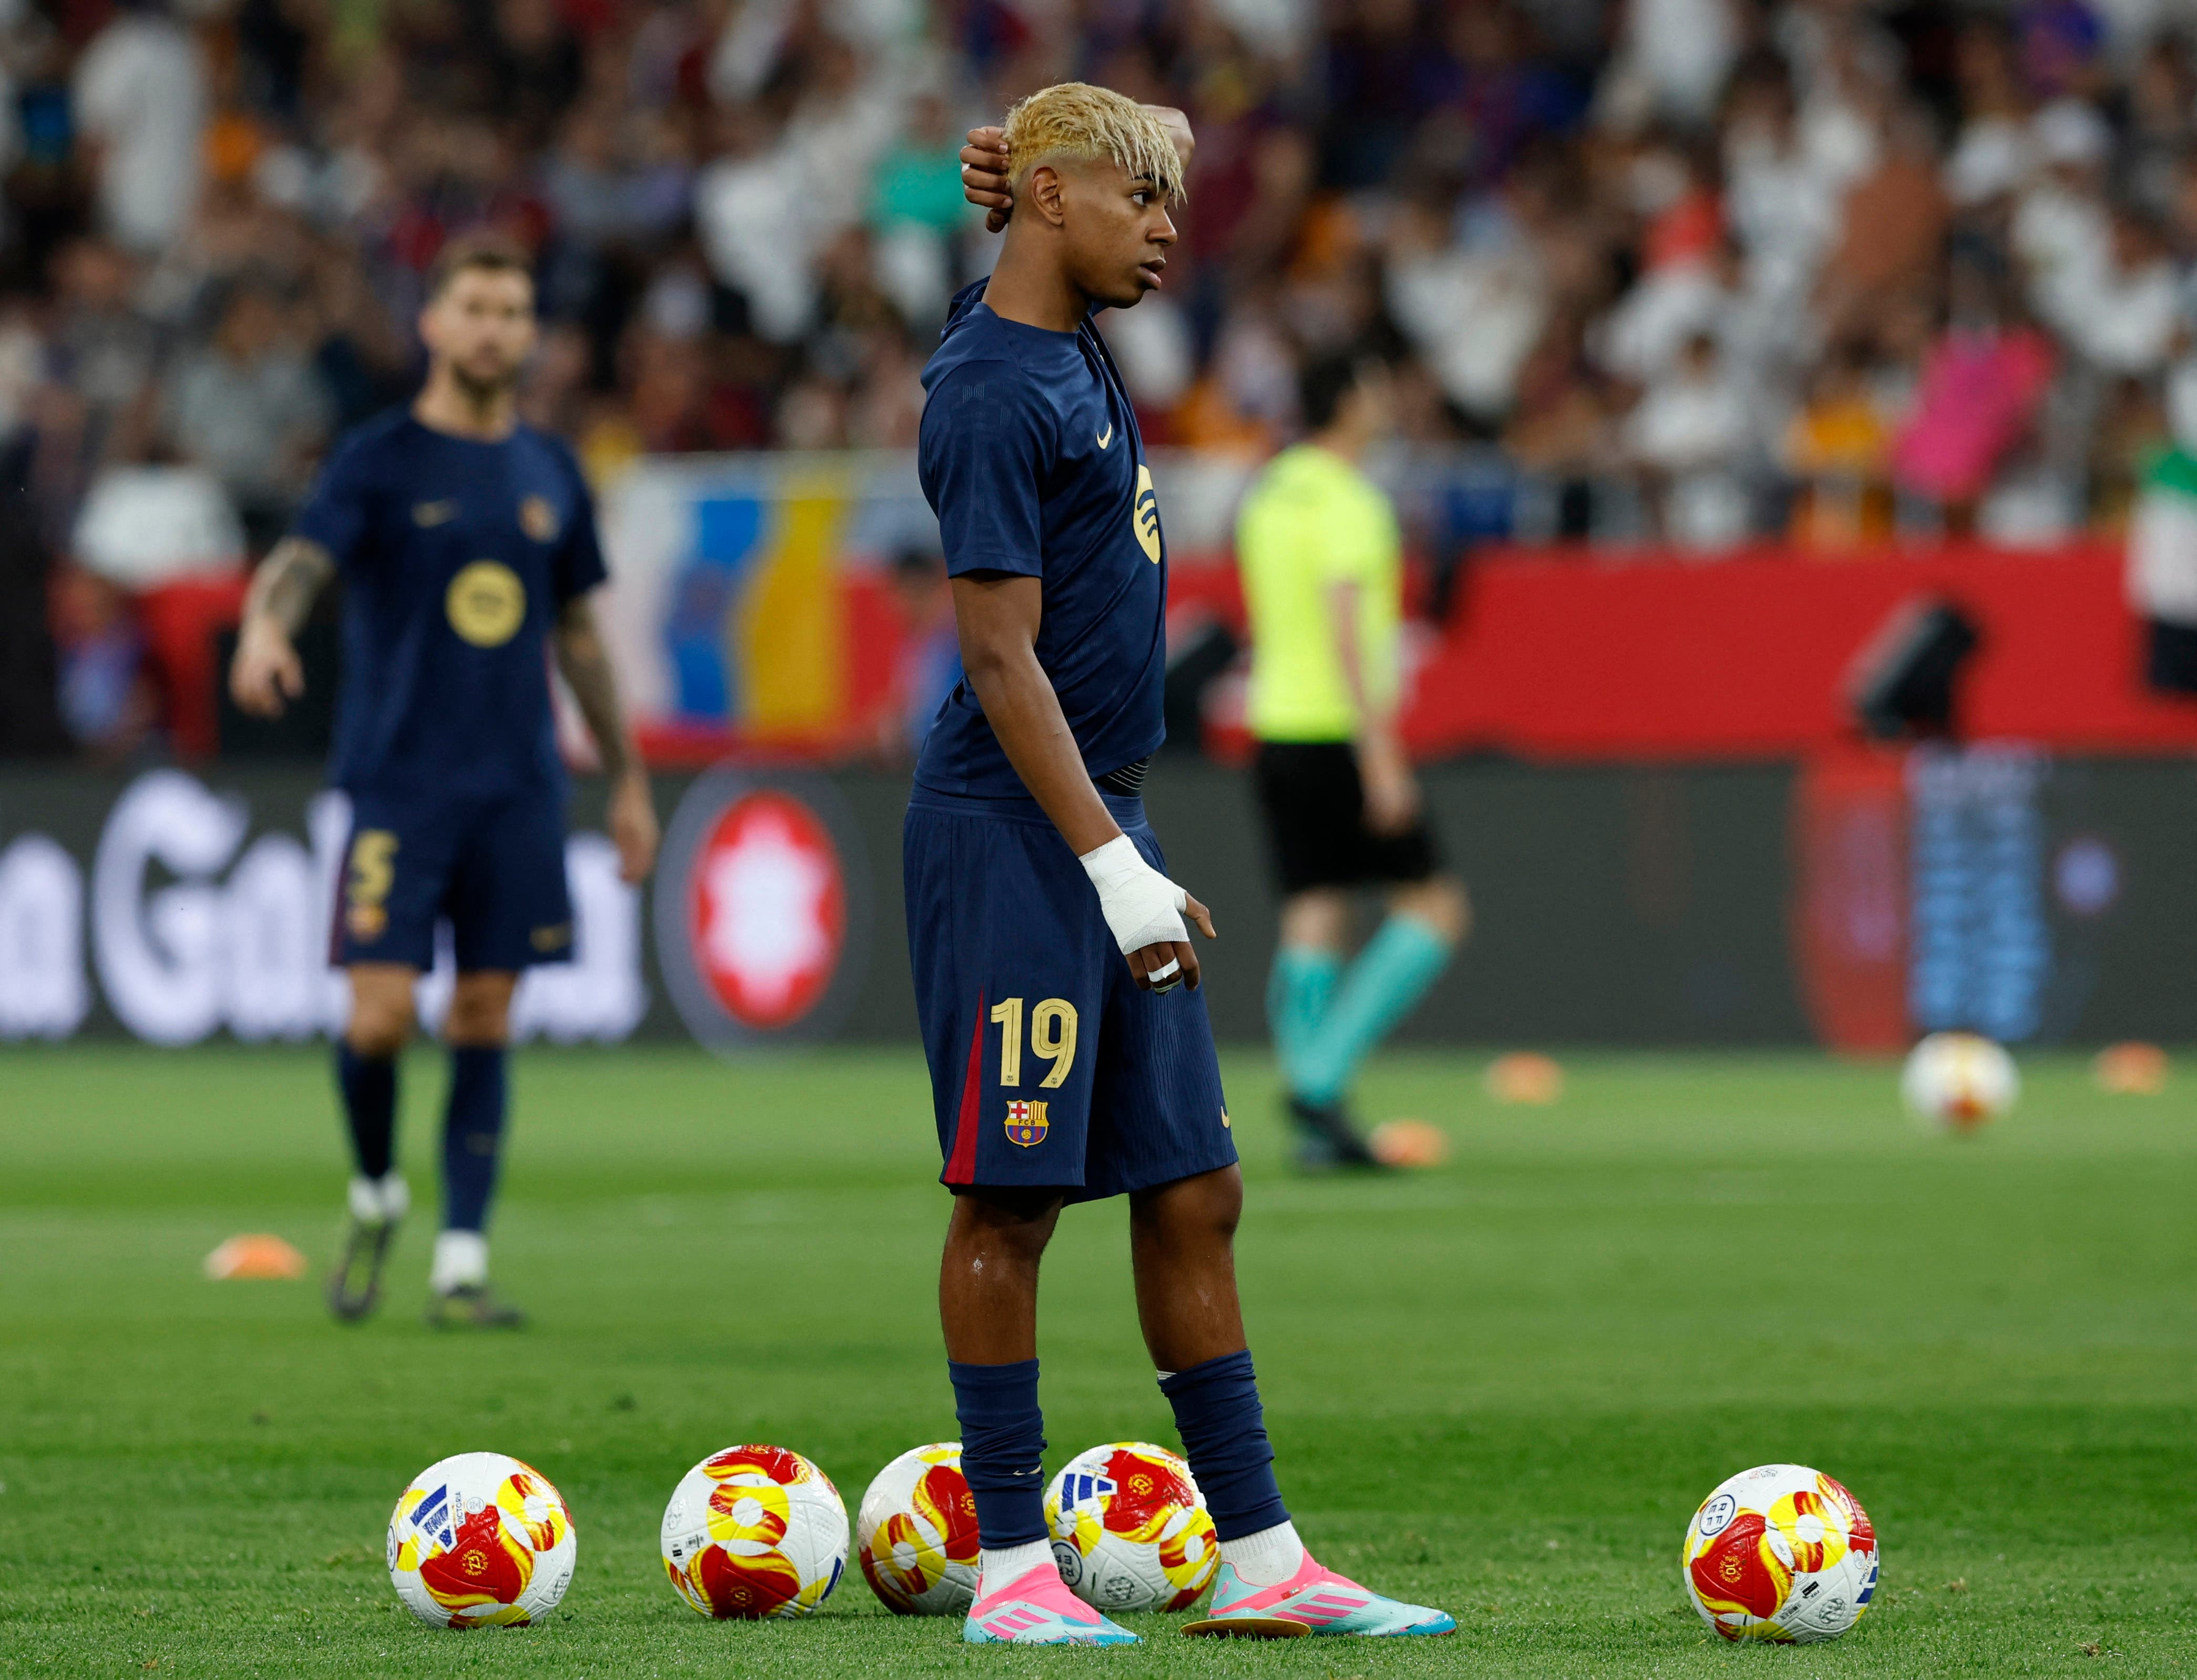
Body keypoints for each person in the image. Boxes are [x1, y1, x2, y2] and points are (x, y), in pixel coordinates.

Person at [918, 84, 1454, 1646]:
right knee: (1011, 1197)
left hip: (1105, 821)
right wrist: (1107, 866)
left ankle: (1261, 1552)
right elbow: (999, 659)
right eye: (1139, 201)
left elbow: (1060, 204)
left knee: (1197, 1183)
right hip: (1017, 833)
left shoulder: (1063, 338)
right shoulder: (985, 389)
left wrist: (1030, 164)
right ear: (1053, 201)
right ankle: (1011, 1568)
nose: (1168, 232)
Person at [228, 234, 659, 1328]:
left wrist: (626, 782)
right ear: (432, 323)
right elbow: (302, 563)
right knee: (377, 1022)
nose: (491, 328)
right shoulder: (377, 459)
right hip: (396, 784)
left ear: (529, 334)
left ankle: (460, 1260)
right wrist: (263, 629)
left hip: (516, 786)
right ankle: (377, 1187)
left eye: (511, 312)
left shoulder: (550, 471)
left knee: (483, 1012)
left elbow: (579, 637)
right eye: (472, 307)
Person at [1235, 353, 1470, 1168]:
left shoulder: (1267, 495)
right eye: (1372, 386)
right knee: (1435, 910)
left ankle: (1313, 1131)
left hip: (1275, 727)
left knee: (1313, 916)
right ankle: (1320, 1077)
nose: (1385, 399)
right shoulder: (1352, 501)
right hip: (1340, 731)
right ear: (1345, 404)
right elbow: (1345, 626)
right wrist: (1383, 757)